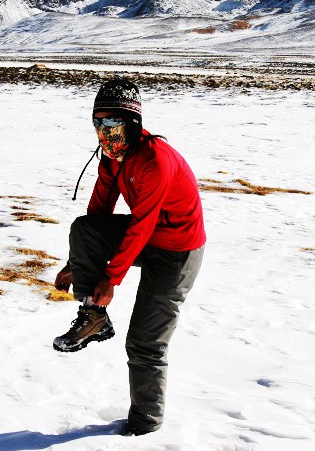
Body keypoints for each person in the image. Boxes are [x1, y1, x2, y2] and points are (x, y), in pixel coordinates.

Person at [53, 79, 206, 436]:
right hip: (147, 238)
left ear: (132, 123)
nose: (104, 133)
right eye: (97, 124)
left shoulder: (156, 161)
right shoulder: (112, 158)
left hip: (177, 254)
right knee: (84, 228)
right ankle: (94, 318)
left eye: (112, 124)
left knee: (145, 343)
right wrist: (76, 262)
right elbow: (98, 213)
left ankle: (145, 427)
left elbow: (142, 223)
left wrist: (111, 279)